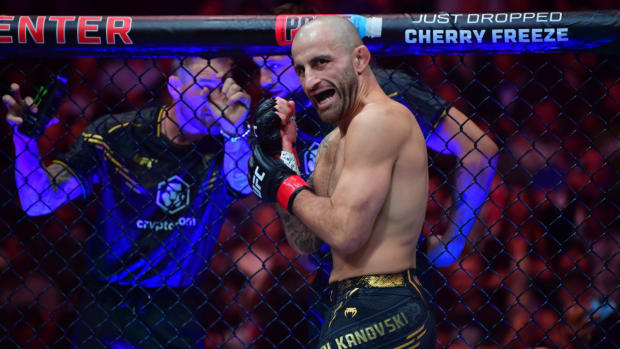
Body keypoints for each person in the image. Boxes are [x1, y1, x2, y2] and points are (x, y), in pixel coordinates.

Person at [2, 56, 252, 348]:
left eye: (224, 85)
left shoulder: (233, 140)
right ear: (174, 87)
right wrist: (24, 138)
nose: (217, 96)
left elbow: (242, 184)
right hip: (108, 297)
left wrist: (236, 132)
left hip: (179, 302)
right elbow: (38, 202)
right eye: (205, 85)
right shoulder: (117, 135)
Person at [249, 16, 439, 348]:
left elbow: (345, 233)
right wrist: (285, 157)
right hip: (342, 301)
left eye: (321, 63)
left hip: (386, 302)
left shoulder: (379, 120)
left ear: (360, 59)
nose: (310, 80)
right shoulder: (333, 142)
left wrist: (281, 182)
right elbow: (308, 240)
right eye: (301, 70)